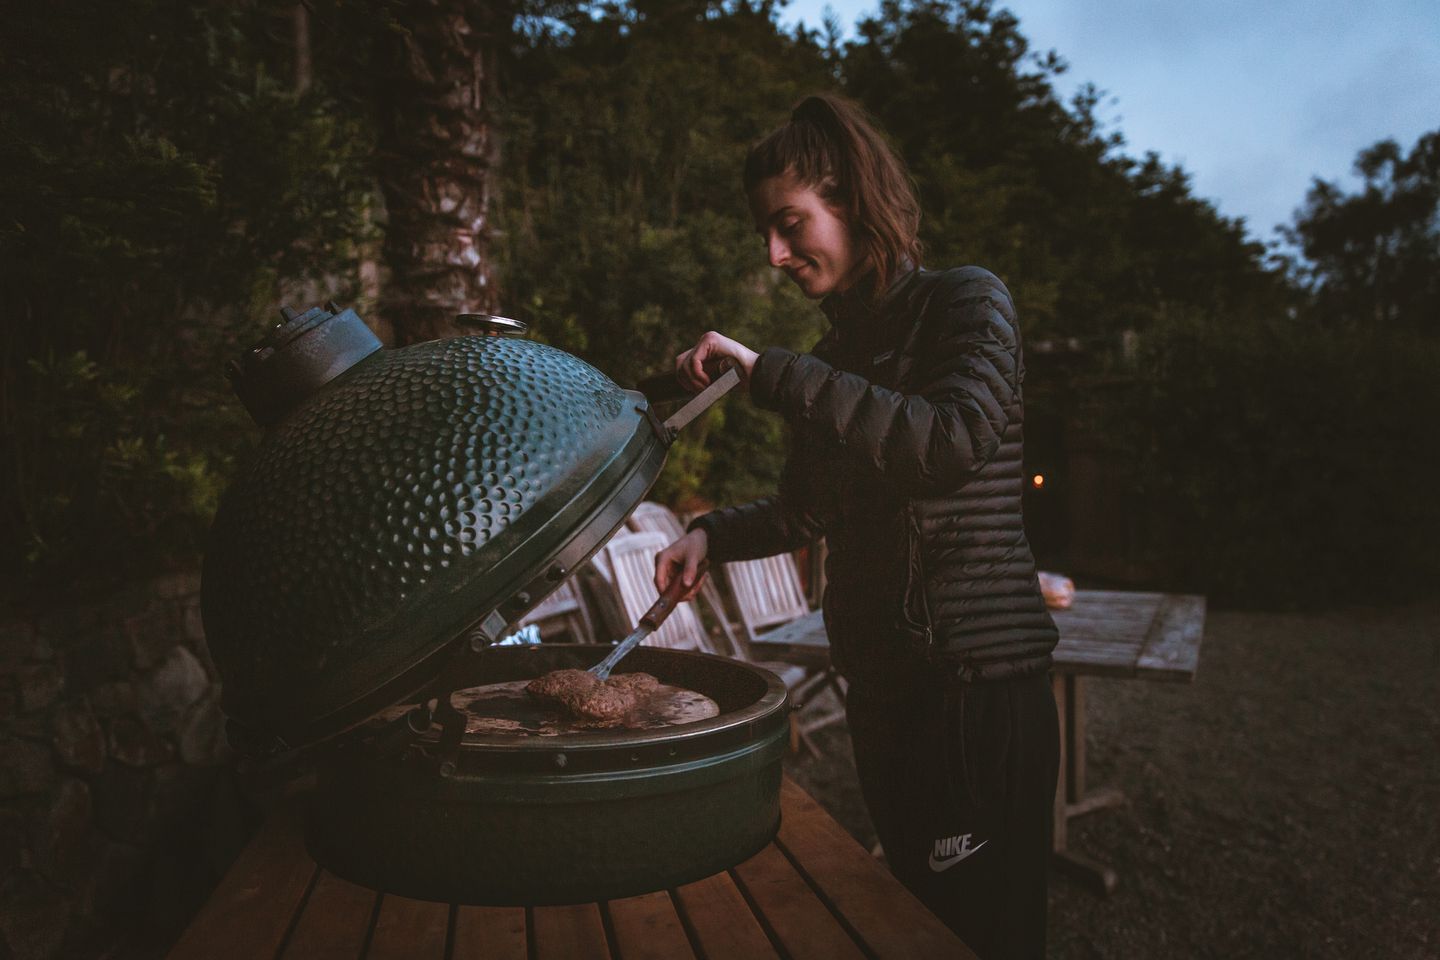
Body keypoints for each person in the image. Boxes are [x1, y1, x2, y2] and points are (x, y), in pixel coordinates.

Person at [653, 93, 1060, 959]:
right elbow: (807, 513)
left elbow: (945, 444)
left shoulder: (967, 302)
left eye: (791, 223)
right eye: (766, 231)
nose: (774, 254)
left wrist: (774, 374)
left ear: (854, 198)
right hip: (882, 694)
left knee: (985, 933)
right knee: (911, 919)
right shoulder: (834, 362)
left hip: (973, 690)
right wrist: (710, 536)